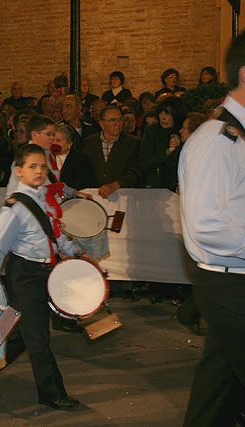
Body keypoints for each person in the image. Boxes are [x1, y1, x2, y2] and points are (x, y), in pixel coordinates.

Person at [178, 31, 245, 427]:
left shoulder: (236, 136)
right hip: (228, 284)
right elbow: (207, 226)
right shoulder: (216, 140)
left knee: (217, 395)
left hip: (234, 280)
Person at [0, 143, 80, 411]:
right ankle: (52, 393)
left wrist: (75, 251)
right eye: (32, 166)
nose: (39, 171)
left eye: (43, 166)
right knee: (38, 337)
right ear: (19, 171)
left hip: (42, 273)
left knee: (12, 331)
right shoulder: (14, 207)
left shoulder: (42, 198)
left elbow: (55, 234)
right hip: (24, 274)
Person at [82, 105, 142, 199]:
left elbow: (136, 170)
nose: (117, 123)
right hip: (94, 197)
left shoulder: (133, 143)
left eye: (120, 119)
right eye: (112, 120)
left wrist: (116, 184)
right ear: (102, 124)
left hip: (124, 197)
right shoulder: (88, 143)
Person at [139, 96, 188, 188]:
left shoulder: (183, 131)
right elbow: (144, 162)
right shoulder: (152, 131)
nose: (163, 118)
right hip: (156, 185)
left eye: (167, 114)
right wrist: (169, 151)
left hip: (179, 184)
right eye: (160, 113)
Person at [54, 124, 97, 190]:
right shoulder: (46, 157)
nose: (54, 143)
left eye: (58, 140)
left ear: (69, 143)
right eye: (52, 140)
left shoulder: (81, 159)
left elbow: (86, 183)